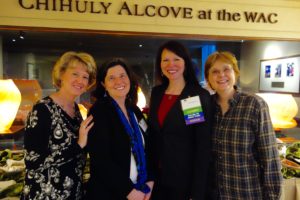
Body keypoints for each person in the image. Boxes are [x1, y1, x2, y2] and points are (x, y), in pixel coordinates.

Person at [204, 51, 282, 199]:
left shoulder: (255, 105)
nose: (221, 75)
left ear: (235, 72)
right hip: (214, 195)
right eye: (214, 71)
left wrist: (273, 196)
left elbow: (270, 158)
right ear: (208, 78)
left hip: (247, 193)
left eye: (226, 69)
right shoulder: (206, 107)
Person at [21, 51, 97, 200]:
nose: (80, 80)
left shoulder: (76, 111)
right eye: (75, 74)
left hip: (72, 193)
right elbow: (32, 161)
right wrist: (79, 144)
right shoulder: (43, 109)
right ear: (61, 74)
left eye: (85, 77)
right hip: (45, 194)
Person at [148, 40, 213, 200]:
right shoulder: (157, 93)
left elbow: (202, 146)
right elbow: (153, 136)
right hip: (156, 179)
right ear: (160, 65)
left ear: (185, 63)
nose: (171, 64)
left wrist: (196, 192)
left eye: (176, 59)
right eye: (165, 60)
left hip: (184, 181)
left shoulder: (194, 96)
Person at [86, 58, 154, 200]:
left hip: (142, 189)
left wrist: (150, 181)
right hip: (113, 193)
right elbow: (101, 159)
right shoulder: (99, 111)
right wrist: (128, 191)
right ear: (104, 84)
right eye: (111, 78)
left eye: (122, 75)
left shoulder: (134, 110)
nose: (119, 81)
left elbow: (149, 147)